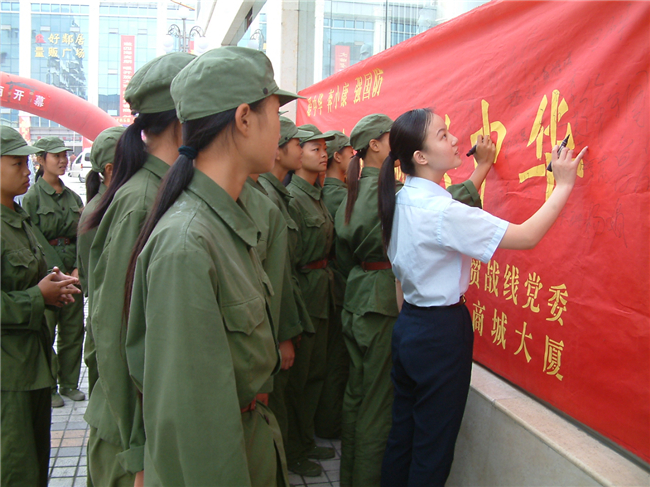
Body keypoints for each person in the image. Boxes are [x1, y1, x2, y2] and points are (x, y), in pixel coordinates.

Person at [378, 108, 587, 486]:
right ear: (421, 157)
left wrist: (413, 324)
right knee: (433, 448)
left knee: (403, 436)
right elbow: (525, 237)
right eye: (443, 135)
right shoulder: (442, 211)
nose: (456, 139)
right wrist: (565, 185)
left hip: (410, 324)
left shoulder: (400, 199)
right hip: (439, 331)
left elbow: (398, 278)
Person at [124, 46, 299, 486]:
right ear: (243, 119)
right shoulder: (188, 244)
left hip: (252, 443)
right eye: (275, 113)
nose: (280, 132)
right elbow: (194, 419)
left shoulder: (225, 224)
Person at [336, 113, 495, 486]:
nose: (452, 139)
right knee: (386, 411)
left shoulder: (364, 189)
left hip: (370, 297)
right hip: (392, 304)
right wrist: (483, 168)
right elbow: (443, 209)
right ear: (376, 145)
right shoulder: (391, 194)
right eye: (442, 134)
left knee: (366, 401)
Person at [82, 52, 194, 487]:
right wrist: (136, 448)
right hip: (130, 441)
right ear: (186, 120)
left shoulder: (163, 187)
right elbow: (112, 330)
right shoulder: (141, 202)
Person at [1, 126, 81, 487]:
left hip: (32, 366)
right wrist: (39, 297)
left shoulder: (16, 219)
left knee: (35, 466)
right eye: (16, 163)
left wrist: (55, 284)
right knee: (15, 467)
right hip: (8, 375)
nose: (25, 170)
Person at [283, 125, 338, 477]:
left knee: (315, 374)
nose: (323, 154)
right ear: (296, 153)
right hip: (304, 293)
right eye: (314, 148)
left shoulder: (315, 195)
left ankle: (304, 440)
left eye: (325, 149)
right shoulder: (292, 198)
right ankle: (293, 450)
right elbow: (287, 262)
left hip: (321, 292)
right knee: (297, 381)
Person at [22, 136, 85, 408]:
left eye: (64, 155)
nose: (62, 160)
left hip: (72, 273)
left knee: (73, 329)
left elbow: (82, 233)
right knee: (47, 331)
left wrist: (77, 268)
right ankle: (49, 386)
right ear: (39, 159)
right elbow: (33, 237)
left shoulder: (72, 196)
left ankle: (70, 383)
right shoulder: (32, 198)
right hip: (48, 276)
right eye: (55, 155)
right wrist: (56, 271)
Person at [76, 126, 124, 398]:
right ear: (109, 170)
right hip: (107, 327)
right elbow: (92, 278)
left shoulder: (111, 205)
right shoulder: (98, 213)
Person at [314, 130, 354, 440]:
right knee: (336, 363)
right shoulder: (338, 195)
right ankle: (328, 424)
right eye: (351, 152)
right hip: (338, 288)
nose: (355, 158)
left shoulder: (329, 191)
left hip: (333, 287)